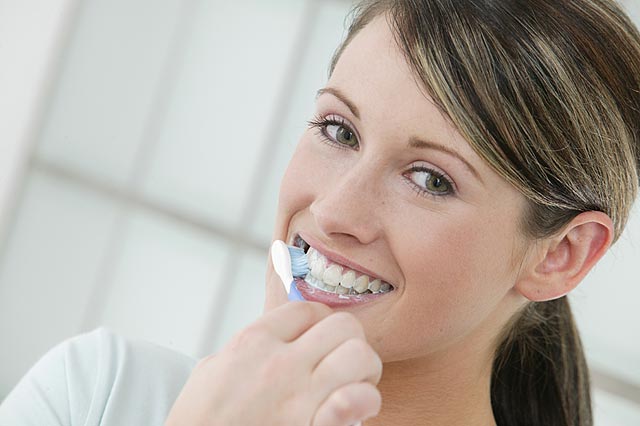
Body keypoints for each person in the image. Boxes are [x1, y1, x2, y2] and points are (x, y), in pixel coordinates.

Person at [2, 0, 640, 425]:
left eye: (430, 178)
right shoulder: (99, 394)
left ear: (561, 255)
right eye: (339, 131)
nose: (334, 211)